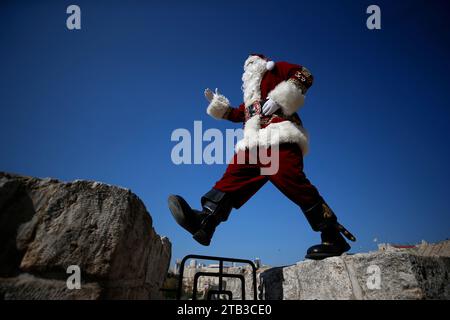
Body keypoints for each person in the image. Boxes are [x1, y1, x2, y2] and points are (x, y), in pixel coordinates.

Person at [168, 54, 355, 260]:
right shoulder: (251, 95)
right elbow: (240, 114)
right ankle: (205, 221)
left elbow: (305, 75)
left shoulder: (275, 70)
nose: (247, 67)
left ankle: (332, 234)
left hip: (280, 134)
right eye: (245, 65)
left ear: (261, 63)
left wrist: (279, 98)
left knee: (291, 180)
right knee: (233, 175)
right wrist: (219, 106)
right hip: (254, 141)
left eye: (251, 63)